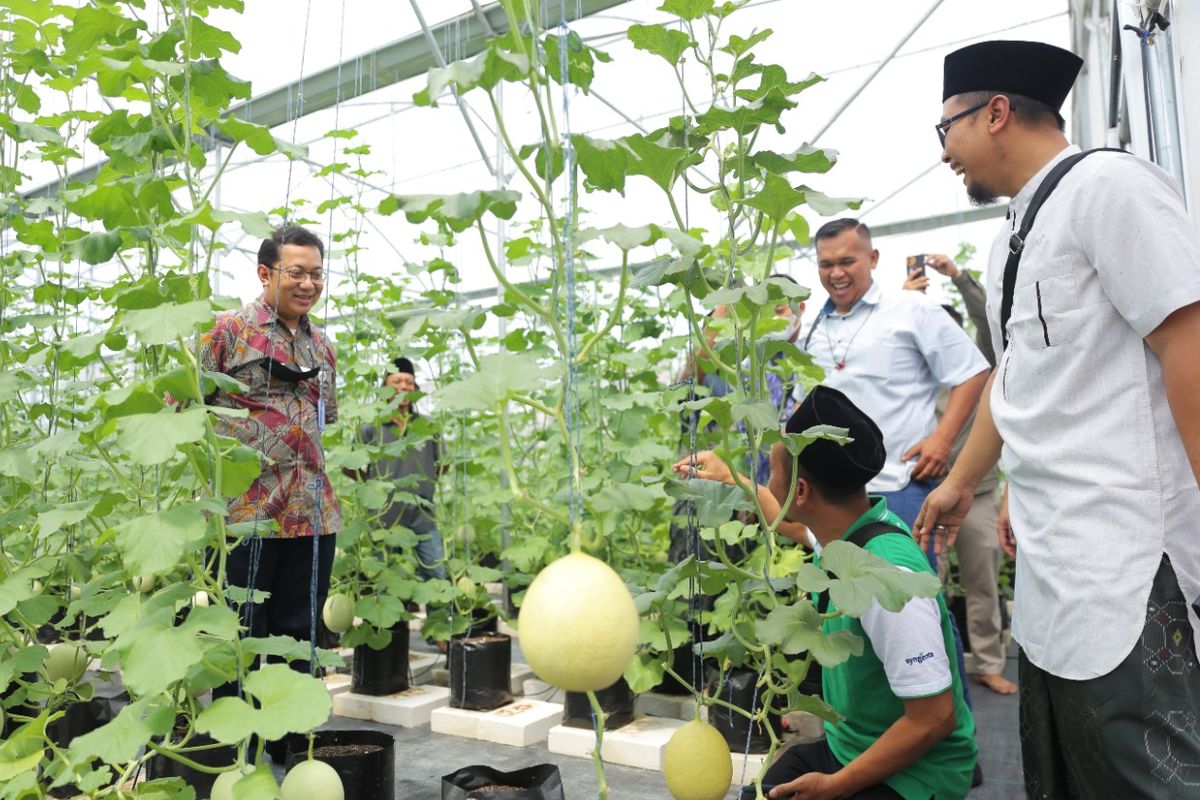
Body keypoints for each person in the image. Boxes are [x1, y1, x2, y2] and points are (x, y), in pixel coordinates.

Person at [916, 39, 1200, 797]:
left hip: (1129, 569)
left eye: (946, 128)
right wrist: (965, 481)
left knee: (1155, 775)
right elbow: (1021, 380)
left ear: (996, 113)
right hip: (1053, 573)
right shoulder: (1014, 235)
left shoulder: (1110, 188)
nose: (943, 150)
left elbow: (1187, 339)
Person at [678, 387, 977, 799]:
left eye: (773, 469)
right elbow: (798, 527)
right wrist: (733, 477)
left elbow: (935, 718)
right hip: (851, 748)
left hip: (916, 776)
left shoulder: (886, 579)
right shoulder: (850, 532)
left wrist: (835, 787)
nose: (769, 477)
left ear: (800, 492)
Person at [199, 224, 339, 676]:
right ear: (265, 272)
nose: (308, 284)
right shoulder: (224, 332)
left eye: (317, 274)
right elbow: (179, 411)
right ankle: (239, 744)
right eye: (297, 272)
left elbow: (325, 416)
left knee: (300, 638)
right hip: (244, 515)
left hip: (312, 513)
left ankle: (290, 745)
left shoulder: (322, 346)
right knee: (238, 637)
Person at [801, 220, 989, 532]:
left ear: (872, 258)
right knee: (836, 579)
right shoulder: (814, 330)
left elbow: (973, 372)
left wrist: (942, 439)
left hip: (898, 488)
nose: (836, 274)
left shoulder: (911, 309)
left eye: (847, 261)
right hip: (830, 494)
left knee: (905, 578)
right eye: (826, 264)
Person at [904, 256, 1016, 696]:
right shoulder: (912, 374)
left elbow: (991, 327)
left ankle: (987, 663)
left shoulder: (976, 367)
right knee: (922, 585)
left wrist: (959, 278)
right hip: (921, 489)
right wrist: (904, 300)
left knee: (982, 582)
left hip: (980, 492)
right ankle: (932, 671)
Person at [360, 356, 446, 582]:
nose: (404, 387)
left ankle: (437, 618)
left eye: (408, 382)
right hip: (384, 517)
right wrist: (372, 485)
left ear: (415, 387)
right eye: (397, 382)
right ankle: (396, 620)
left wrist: (426, 484)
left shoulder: (428, 425)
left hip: (423, 514)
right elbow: (353, 468)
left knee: (435, 574)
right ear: (385, 388)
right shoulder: (371, 427)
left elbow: (443, 464)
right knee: (385, 580)